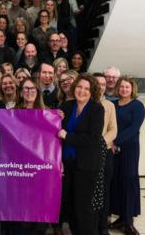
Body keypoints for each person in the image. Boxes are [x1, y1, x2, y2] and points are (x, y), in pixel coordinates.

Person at [58, 73, 104, 235]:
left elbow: (93, 138)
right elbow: (55, 130)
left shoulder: (97, 109)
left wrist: (67, 136)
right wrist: (56, 118)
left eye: (86, 88)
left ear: (92, 91)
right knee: (70, 208)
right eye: (79, 87)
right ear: (74, 87)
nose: (82, 91)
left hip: (86, 166)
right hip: (67, 164)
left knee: (84, 209)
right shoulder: (66, 106)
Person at [110, 77, 145, 235]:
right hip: (112, 149)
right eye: (122, 86)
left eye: (127, 87)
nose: (124, 89)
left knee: (128, 180)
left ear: (132, 89)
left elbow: (133, 128)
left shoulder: (137, 106)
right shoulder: (113, 105)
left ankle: (129, 221)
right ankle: (121, 217)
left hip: (129, 148)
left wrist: (115, 141)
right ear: (118, 88)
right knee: (115, 180)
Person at [93, 73, 118, 235]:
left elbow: (113, 129)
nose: (101, 86)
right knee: (88, 191)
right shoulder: (82, 102)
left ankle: (103, 226)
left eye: (103, 84)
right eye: (97, 83)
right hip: (86, 154)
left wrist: (100, 143)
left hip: (104, 152)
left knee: (104, 191)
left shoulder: (109, 105)